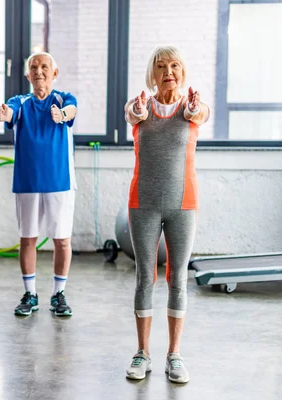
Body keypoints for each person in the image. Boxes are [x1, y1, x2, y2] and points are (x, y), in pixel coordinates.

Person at [123, 45, 209, 384]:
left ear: (182, 72)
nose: (168, 71)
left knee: (179, 278)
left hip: (183, 204)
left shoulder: (192, 108)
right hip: (142, 203)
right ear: (152, 74)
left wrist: (193, 107)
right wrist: (137, 108)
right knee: (145, 277)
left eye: (174, 65)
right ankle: (142, 353)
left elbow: (199, 113)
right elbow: (132, 115)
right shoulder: (140, 107)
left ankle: (174, 355)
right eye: (161, 66)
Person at [0, 52, 78, 317]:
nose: (39, 71)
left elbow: (72, 110)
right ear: (27, 75)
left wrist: (62, 115)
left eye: (44, 67)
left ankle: (58, 294)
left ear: (54, 73)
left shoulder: (63, 99)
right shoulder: (20, 101)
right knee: (27, 239)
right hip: (27, 181)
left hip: (60, 181)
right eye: (34, 67)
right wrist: (3, 113)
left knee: (62, 240)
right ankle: (30, 293)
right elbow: (10, 113)